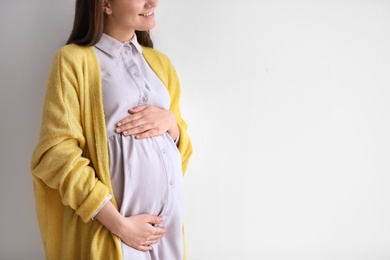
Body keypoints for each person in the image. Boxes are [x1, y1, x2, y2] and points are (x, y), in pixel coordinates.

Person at [30, 0, 192, 259]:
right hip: (114, 232)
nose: (153, 2)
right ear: (105, 4)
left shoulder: (161, 64)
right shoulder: (73, 60)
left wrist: (172, 125)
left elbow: (181, 152)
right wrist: (119, 225)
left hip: (165, 233)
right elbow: (56, 154)